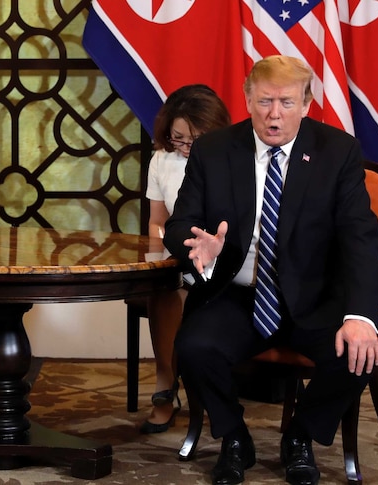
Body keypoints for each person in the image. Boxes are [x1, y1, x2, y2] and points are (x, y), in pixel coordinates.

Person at [165, 55, 378, 485]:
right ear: (247, 100)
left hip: (314, 297)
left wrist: (361, 316)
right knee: (194, 346)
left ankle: (300, 437)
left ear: (306, 103)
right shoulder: (214, 150)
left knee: (357, 354)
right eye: (264, 101)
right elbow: (178, 224)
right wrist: (198, 245)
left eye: (286, 102)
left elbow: (360, 238)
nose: (274, 114)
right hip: (238, 292)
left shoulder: (337, 151)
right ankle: (234, 437)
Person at [139, 84, 230, 434]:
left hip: (225, 255)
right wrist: (162, 256)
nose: (187, 147)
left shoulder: (234, 158)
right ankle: (166, 384)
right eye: (179, 138)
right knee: (164, 288)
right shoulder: (162, 160)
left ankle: (209, 387)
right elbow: (157, 222)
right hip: (180, 254)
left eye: (196, 139)